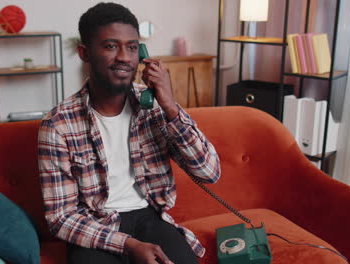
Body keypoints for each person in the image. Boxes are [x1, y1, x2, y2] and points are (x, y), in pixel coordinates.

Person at [38, 3, 220, 263]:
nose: (124, 57)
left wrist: (169, 106)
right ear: (84, 53)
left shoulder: (155, 108)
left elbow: (209, 172)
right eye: (111, 46)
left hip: (148, 217)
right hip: (94, 226)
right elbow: (60, 217)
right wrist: (128, 245)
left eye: (132, 47)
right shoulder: (57, 124)